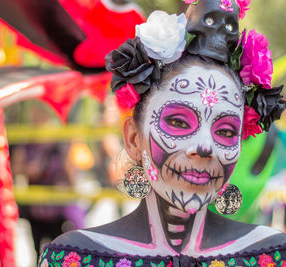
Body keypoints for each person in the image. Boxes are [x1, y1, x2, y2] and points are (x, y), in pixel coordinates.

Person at [38, 0, 286, 266]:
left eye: (225, 130)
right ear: (134, 138)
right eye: (179, 123)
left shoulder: (269, 255)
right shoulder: (77, 257)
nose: (205, 147)